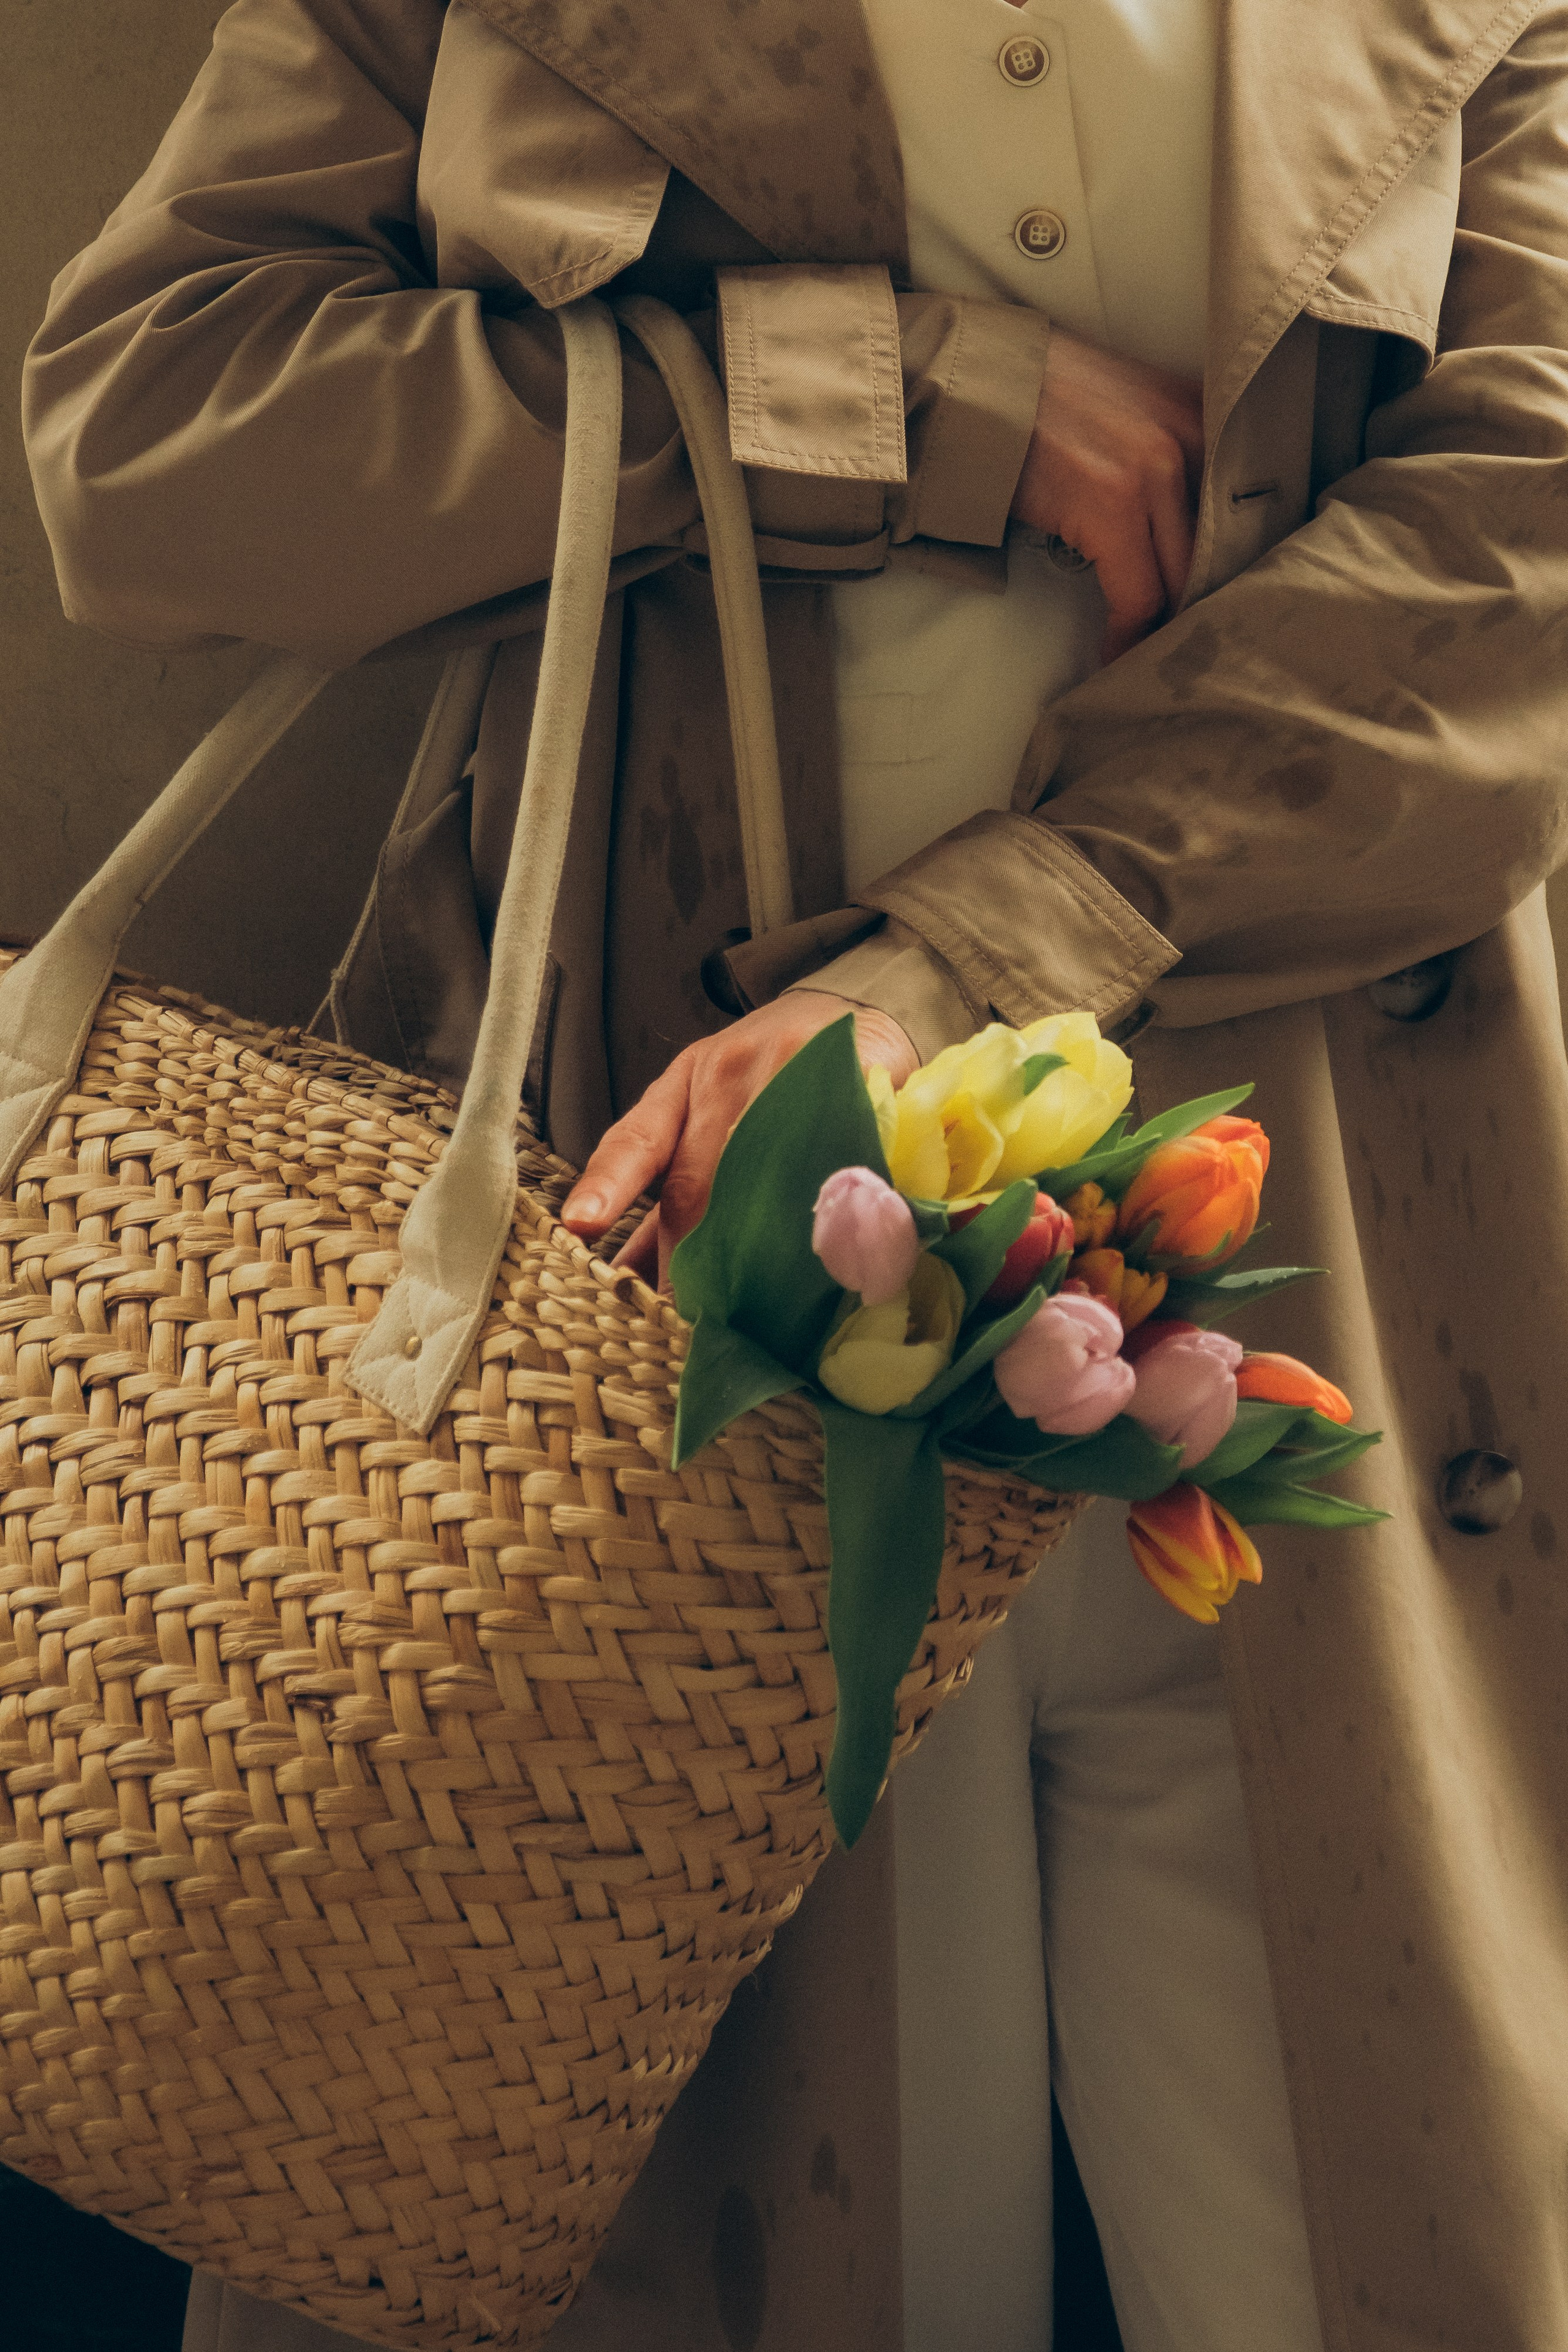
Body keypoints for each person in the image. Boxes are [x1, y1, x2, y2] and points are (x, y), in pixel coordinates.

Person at [21, 1, 1568, 2346]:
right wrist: (864, 397)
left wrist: (972, 959)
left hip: (1318, 1308)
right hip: (660, 1364)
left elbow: (1526, 536)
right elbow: (144, 443)